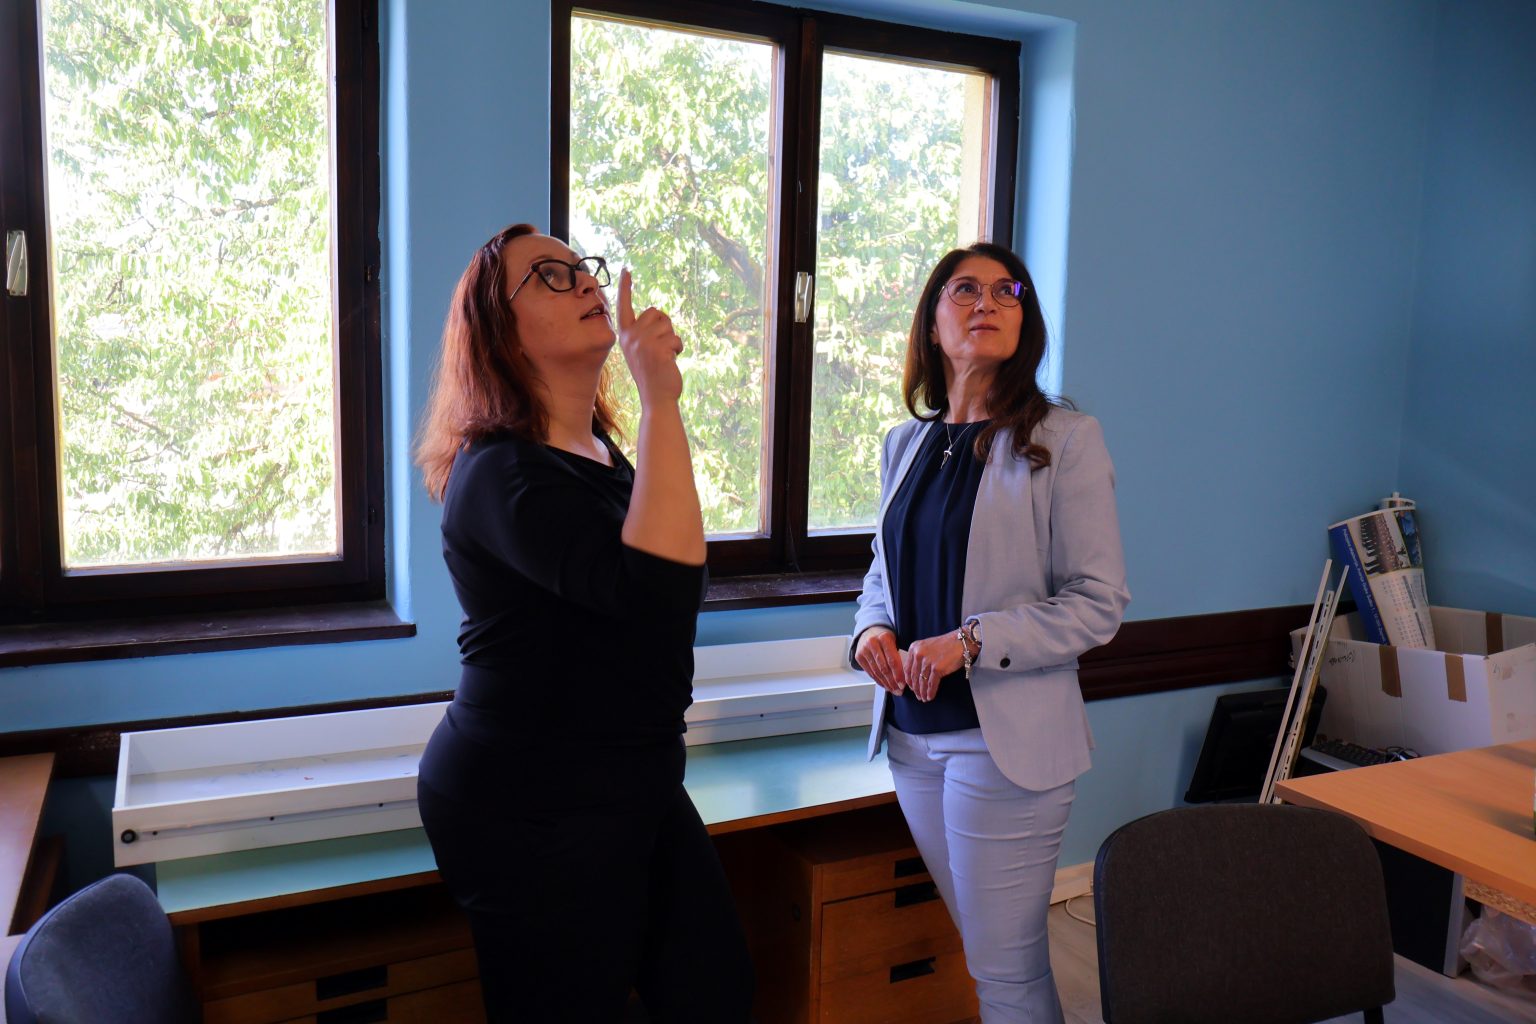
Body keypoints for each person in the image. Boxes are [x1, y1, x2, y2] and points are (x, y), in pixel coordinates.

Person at [413, 223, 753, 1023]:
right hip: (528, 801)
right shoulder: (499, 473)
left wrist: (655, 408)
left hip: (633, 779)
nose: (586, 282)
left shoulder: (603, 456)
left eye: (583, 267)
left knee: (717, 994)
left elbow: (669, 596)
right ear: (499, 330)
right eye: (550, 275)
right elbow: (656, 596)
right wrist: (660, 398)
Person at [850, 242, 1129, 1023]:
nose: (989, 303)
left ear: (1024, 321)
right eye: (966, 289)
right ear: (932, 321)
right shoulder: (904, 444)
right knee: (986, 954)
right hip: (912, 738)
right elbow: (882, 572)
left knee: (1006, 971)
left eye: (1008, 291)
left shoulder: (1066, 439)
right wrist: (871, 630)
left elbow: (1098, 602)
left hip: (1003, 746)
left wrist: (969, 641)